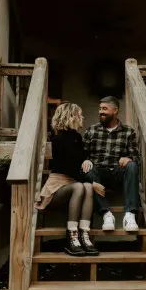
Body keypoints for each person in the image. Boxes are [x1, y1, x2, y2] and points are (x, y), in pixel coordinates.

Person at [35, 103, 104, 257]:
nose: (83, 117)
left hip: (73, 182)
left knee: (85, 186)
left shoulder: (77, 138)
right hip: (57, 186)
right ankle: (72, 235)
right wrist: (94, 183)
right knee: (81, 186)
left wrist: (87, 160)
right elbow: (66, 167)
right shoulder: (57, 139)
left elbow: (78, 159)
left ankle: (84, 235)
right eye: (80, 114)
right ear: (71, 116)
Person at [82, 96, 140, 232]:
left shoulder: (128, 132)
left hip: (117, 174)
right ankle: (106, 214)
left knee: (132, 166)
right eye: (100, 109)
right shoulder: (91, 131)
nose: (101, 112)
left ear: (115, 110)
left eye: (104, 109)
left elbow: (137, 157)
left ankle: (130, 215)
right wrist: (85, 159)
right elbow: (82, 154)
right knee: (87, 169)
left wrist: (129, 159)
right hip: (98, 175)